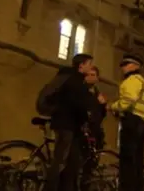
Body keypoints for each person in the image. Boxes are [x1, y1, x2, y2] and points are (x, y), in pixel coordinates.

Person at [44, 53, 96, 191]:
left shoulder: (71, 79)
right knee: (60, 161)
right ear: (81, 65)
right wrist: (87, 116)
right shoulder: (75, 81)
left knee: (71, 161)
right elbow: (77, 105)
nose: (91, 67)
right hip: (66, 125)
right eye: (89, 64)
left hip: (68, 125)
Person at [107, 54, 144, 191]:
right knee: (137, 161)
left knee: (127, 161)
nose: (123, 68)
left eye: (126, 65)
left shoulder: (132, 80)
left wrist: (112, 106)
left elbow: (128, 101)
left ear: (135, 66)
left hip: (132, 121)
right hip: (142, 122)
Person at [80, 65, 107, 191]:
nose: (90, 77)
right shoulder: (81, 91)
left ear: (97, 78)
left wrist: (103, 105)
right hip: (83, 132)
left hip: (95, 133)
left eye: (93, 75)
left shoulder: (98, 94)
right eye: (88, 75)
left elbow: (102, 115)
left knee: (91, 167)